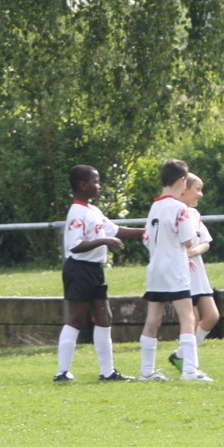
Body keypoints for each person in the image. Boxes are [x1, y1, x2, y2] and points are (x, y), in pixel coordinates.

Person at [56, 164, 143, 383]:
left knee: (104, 317)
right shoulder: (76, 212)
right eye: (96, 182)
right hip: (79, 270)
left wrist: (146, 231)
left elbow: (116, 230)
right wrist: (104, 241)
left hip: (95, 269)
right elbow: (74, 245)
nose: (99, 186)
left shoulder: (93, 210)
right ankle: (62, 372)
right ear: (83, 185)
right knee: (76, 319)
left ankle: (108, 372)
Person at [138, 159, 210, 382]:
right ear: (182, 181)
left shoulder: (155, 207)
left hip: (155, 270)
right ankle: (190, 370)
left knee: (153, 319)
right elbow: (188, 241)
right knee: (187, 317)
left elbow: (146, 239)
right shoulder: (180, 209)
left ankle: (146, 371)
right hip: (175, 270)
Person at [169, 172, 219, 373]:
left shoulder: (195, 215)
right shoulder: (174, 212)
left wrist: (194, 252)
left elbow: (205, 242)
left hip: (198, 274)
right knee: (191, 319)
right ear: (185, 189)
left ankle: (181, 355)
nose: (201, 194)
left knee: (212, 316)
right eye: (197, 189)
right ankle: (190, 366)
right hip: (183, 273)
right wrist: (184, 255)